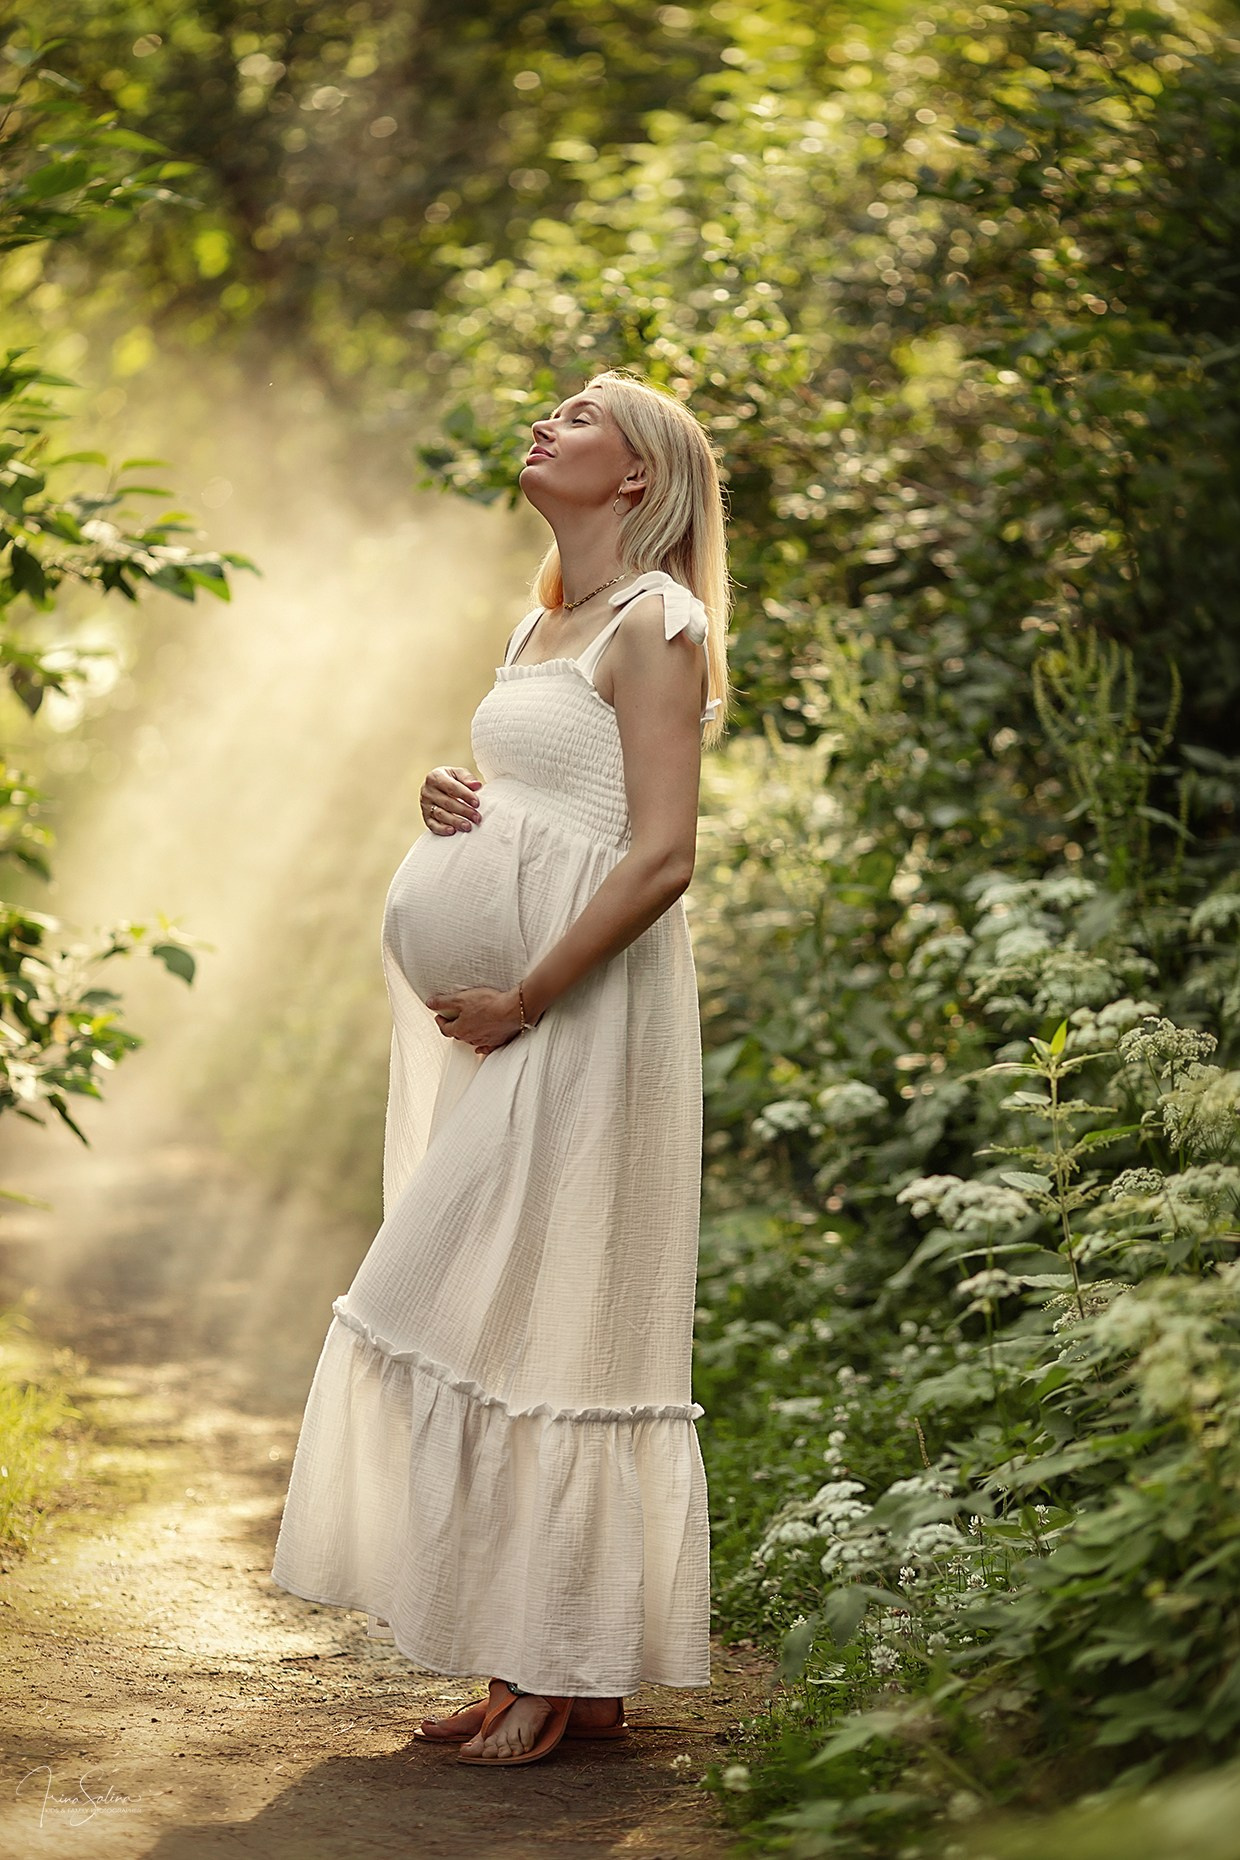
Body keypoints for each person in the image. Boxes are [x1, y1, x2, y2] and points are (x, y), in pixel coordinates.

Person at [270, 366, 730, 1768]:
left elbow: (662, 853)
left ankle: (557, 1661)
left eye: (580, 417)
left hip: (581, 1014)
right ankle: (545, 1661)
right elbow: (542, 798)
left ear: (638, 477)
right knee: (496, 1300)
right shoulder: (545, 623)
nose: (546, 423)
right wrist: (449, 802)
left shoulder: (659, 620)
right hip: (511, 1017)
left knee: (538, 1303)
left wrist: (529, 990)